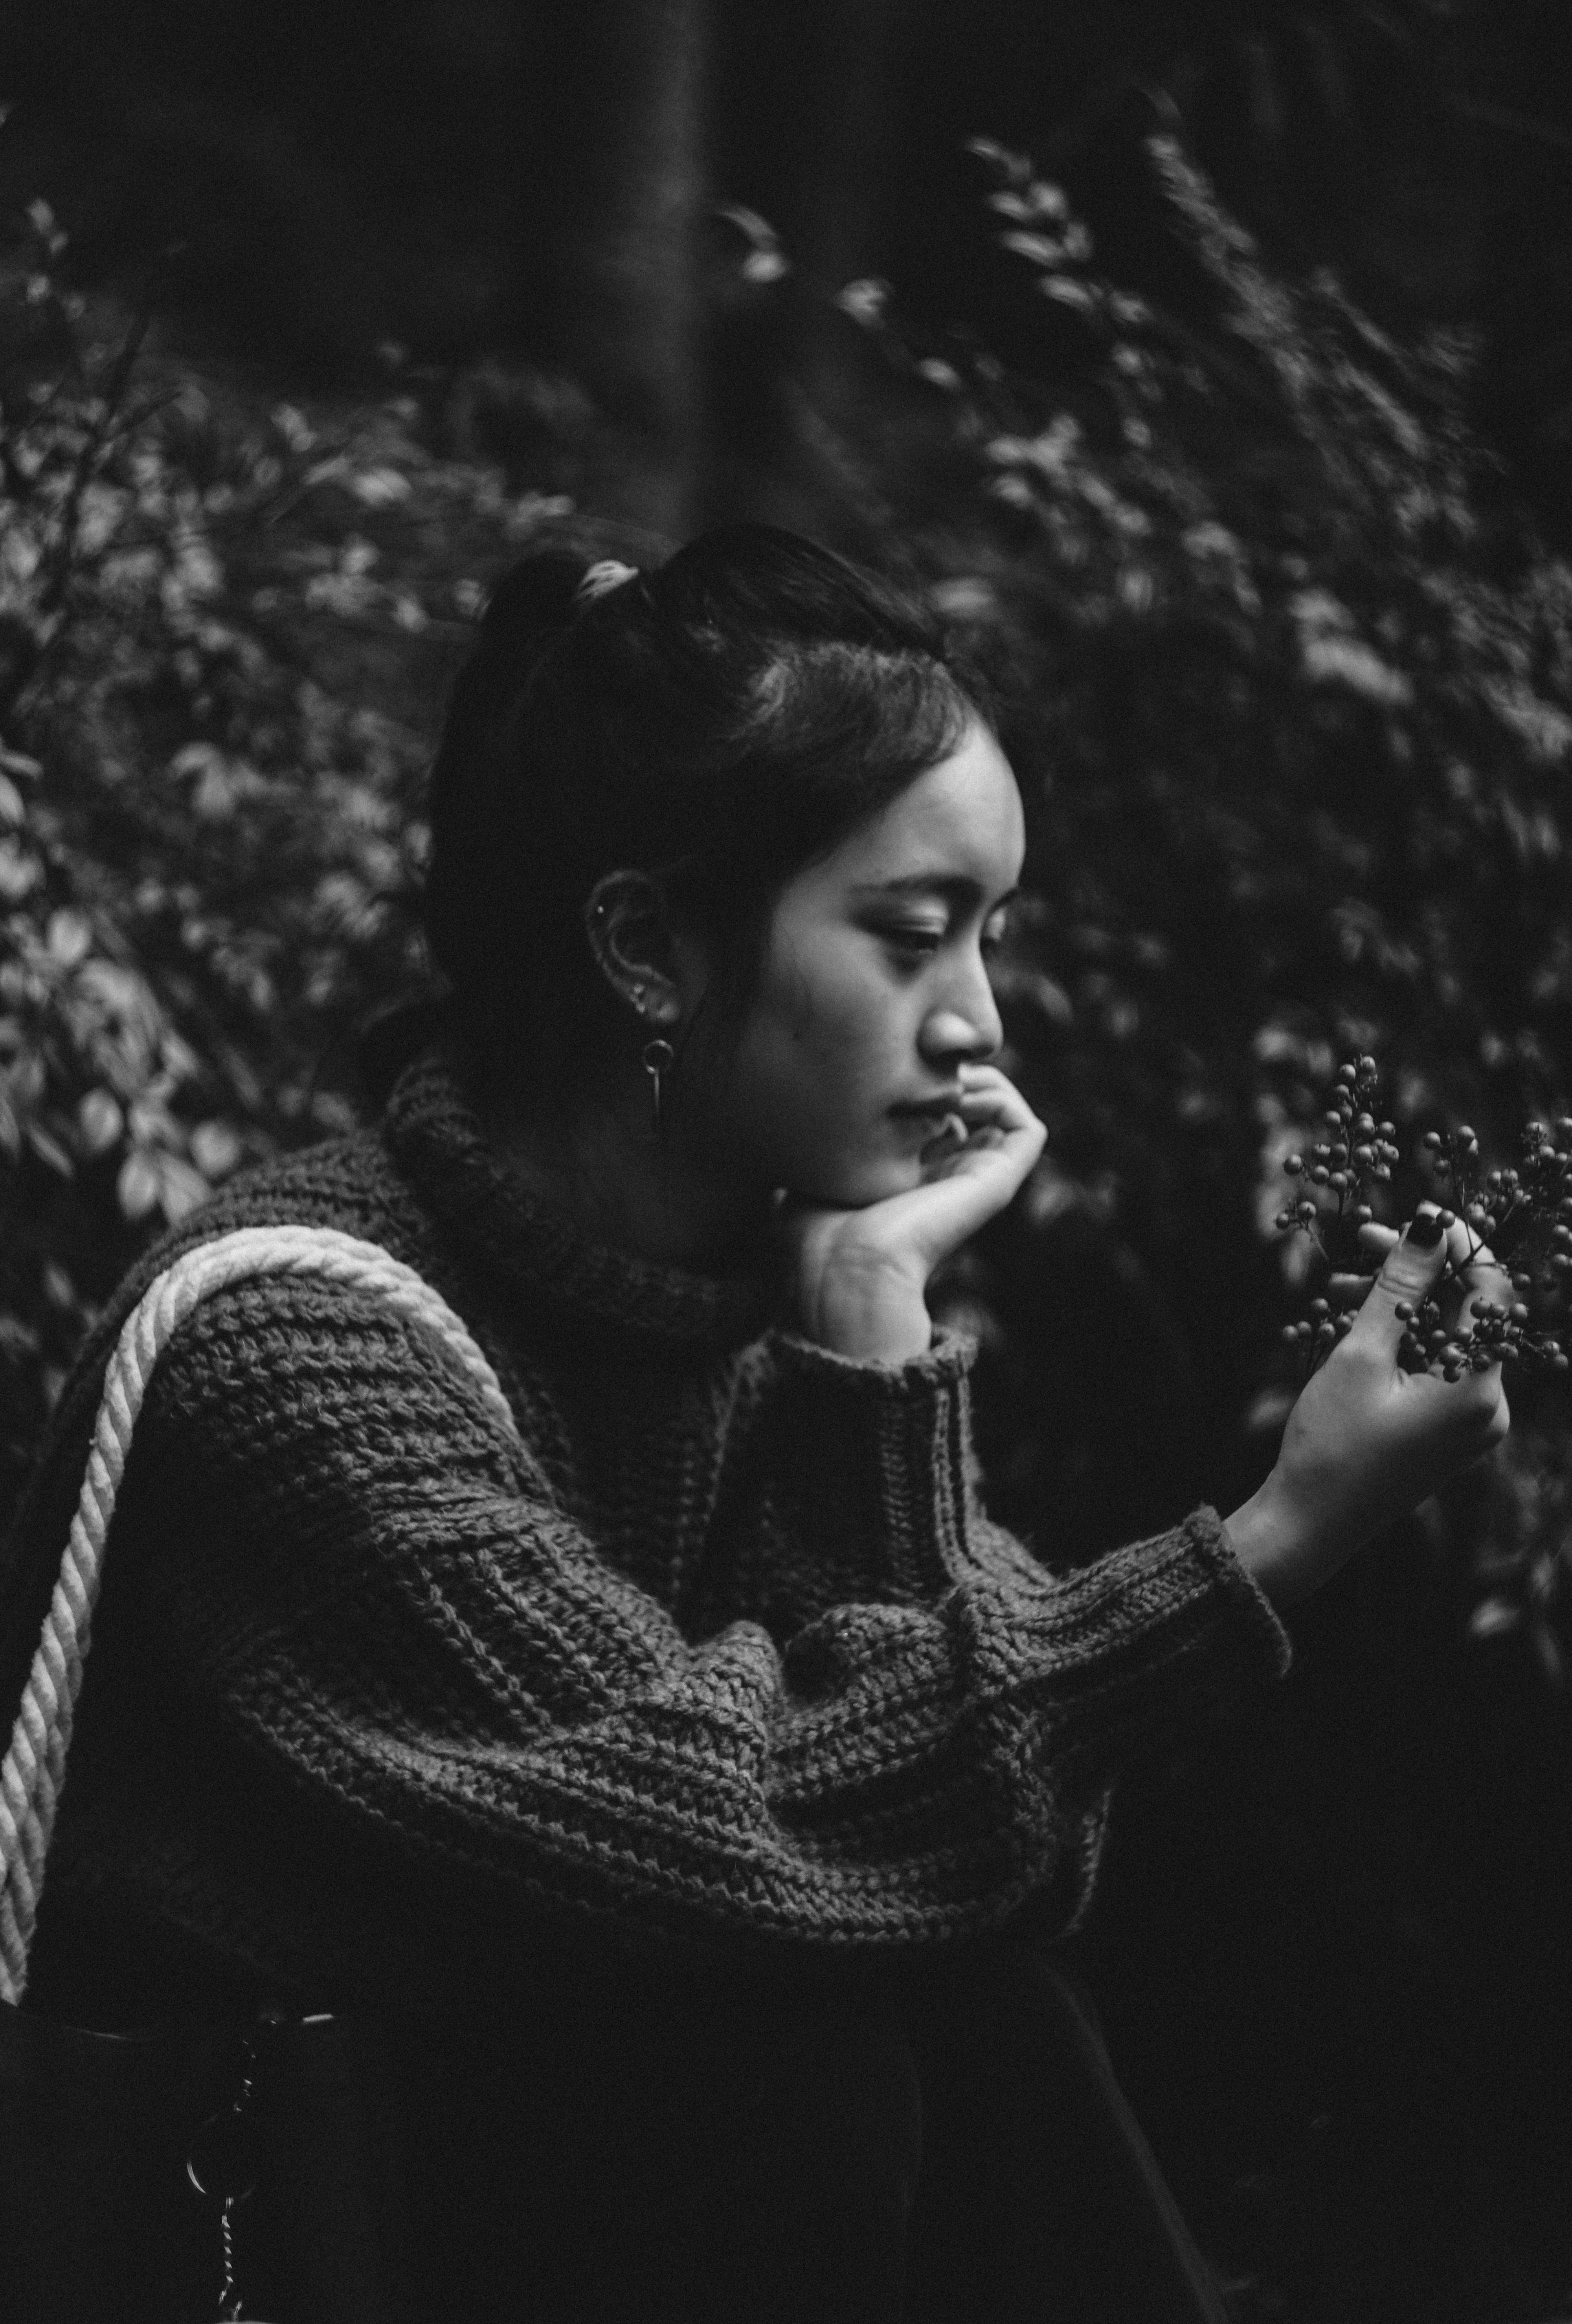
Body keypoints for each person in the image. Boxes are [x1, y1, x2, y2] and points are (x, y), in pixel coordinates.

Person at [4, 527, 1510, 2322]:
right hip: (278, 2250)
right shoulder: (296, 1348)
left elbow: (984, 1870)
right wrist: (1274, 1542)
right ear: (647, 945)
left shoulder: (744, 1312)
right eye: (910, 932)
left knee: (965, 2013)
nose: (980, 1023)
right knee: (812, 2051)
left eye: (992, 932)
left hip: (541, 2214)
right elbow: (747, 1834)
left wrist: (871, 1325)